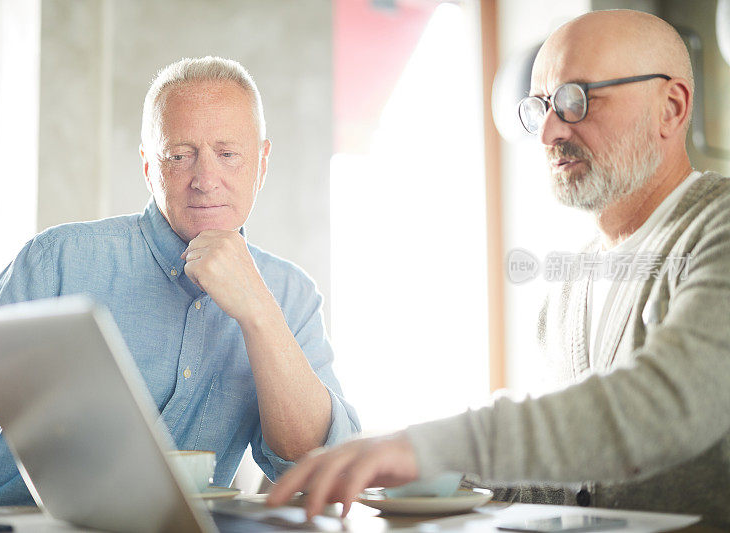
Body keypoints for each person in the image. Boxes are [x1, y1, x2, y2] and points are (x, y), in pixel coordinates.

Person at [268, 9, 730, 526]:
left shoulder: (720, 228)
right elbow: (571, 471)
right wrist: (390, 466)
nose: (549, 132)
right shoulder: (568, 284)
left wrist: (431, 447)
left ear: (671, 107)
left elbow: (666, 405)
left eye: (577, 100)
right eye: (539, 108)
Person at [0, 56, 359, 506]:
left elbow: (320, 464)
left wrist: (259, 315)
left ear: (262, 163)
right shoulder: (61, 261)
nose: (206, 180)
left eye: (228, 154)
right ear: (149, 166)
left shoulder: (292, 296)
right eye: (179, 155)